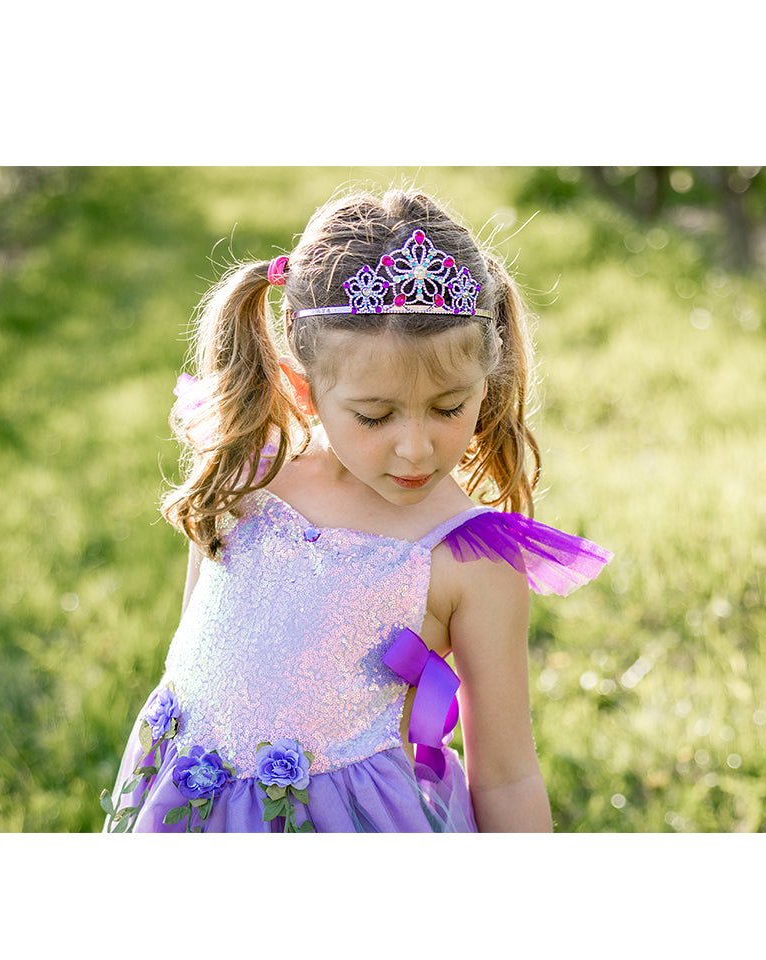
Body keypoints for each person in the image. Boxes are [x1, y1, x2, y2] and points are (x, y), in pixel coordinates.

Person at [101, 186, 612, 833]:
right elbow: (192, 668)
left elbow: (507, 776)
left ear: (488, 378)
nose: (416, 447)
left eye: (449, 407)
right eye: (375, 415)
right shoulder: (246, 475)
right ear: (305, 389)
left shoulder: (470, 557)